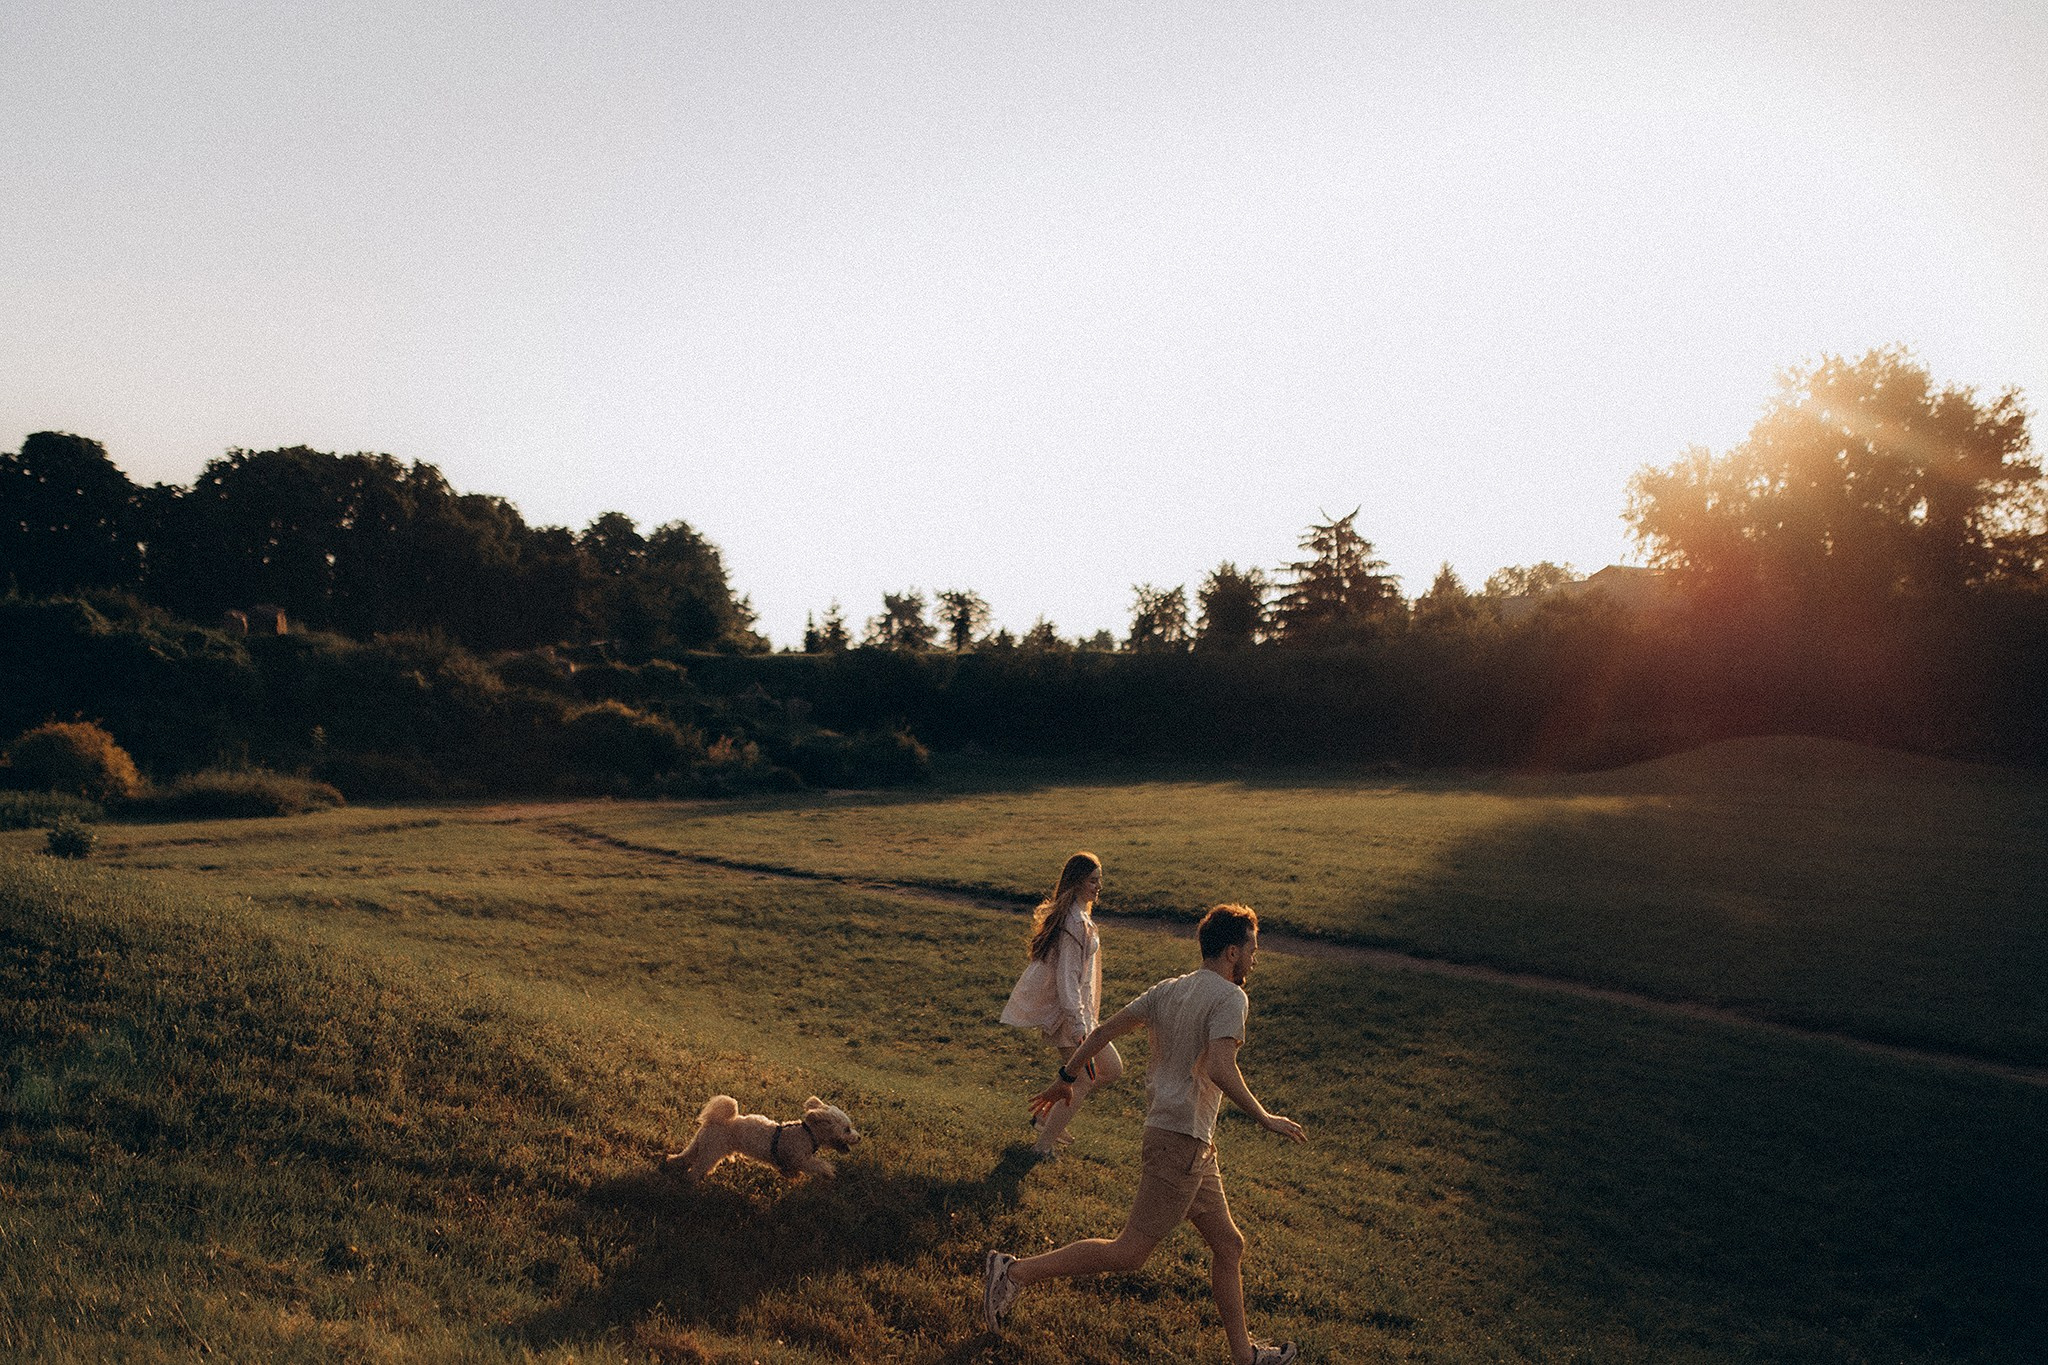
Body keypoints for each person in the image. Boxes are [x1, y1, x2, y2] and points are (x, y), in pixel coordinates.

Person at [983, 903, 1307, 1365]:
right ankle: (1013, 1272)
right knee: (1129, 1252)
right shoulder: (1231, 999)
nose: (1255, 958)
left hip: (1185, 1140)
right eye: (1252, 949)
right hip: (1181, 1142)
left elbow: (1101, 1033)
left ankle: (1245, 1357)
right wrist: (1264, 1117)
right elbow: (1220, 1067)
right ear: (1232, 952)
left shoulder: (1169, 990)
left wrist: (1066, 1076)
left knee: (1229, 1244)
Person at [999, 851, 1123, 1156]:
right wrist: (1079, 1027)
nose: (1098, 887)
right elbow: (1067, 980)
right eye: (1093, 881)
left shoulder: (1081, 918)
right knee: (1082, 1082)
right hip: (1072, 1020)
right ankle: (1042, 1147)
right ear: (1078, 882)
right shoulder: (1074, 924)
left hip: (1084, 1017)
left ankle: (1046, 1117)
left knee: (1111, 1069)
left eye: (1099, 880)